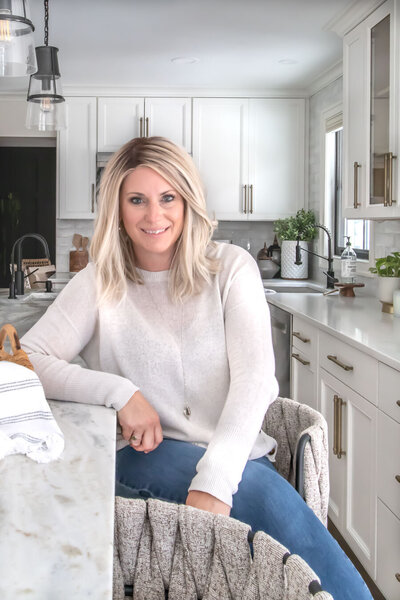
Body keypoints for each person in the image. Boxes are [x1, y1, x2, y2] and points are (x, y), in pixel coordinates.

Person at [22, 136, 372, 599]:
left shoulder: (230, 267)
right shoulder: (98, 281)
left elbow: (255, 379)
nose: (154, 216)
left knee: (266, 497)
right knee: (268, 500)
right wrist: (120, 392)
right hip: (146, 456)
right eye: (137, 200)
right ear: (118, 210)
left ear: (188, 202)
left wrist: (214, 479)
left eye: (168, 198)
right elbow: (25, 360)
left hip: (235, 458)